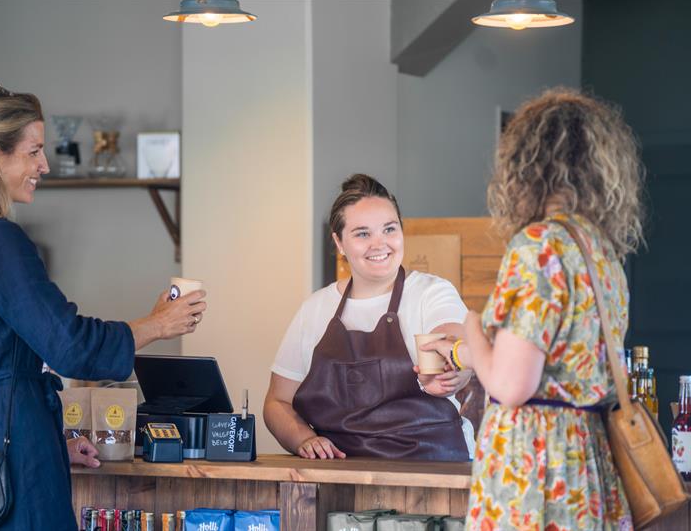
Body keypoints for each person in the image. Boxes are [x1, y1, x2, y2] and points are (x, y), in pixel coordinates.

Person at [0, 84, 207, 530]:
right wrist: (157, 324)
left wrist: (50, 440)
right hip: (15, 463)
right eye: (33, 151)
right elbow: (70, 345)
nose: (43, 165)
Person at [424, 88, 643, 529]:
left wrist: (471, 325)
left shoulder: (539, 247)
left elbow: (512, 383)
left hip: (534, 466)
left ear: (525, 167)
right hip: (585, 460)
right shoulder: (601, 253)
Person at [264, 174, 474, 461]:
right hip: (341, 471)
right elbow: (277, 401)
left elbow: (450, 340)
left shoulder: (431, 293)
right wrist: (304, 439)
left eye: (389, 229)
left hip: (432, 466)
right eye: (363, 234)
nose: (380, 244)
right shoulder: (315, 309)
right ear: (339, 243)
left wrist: (449, 370)